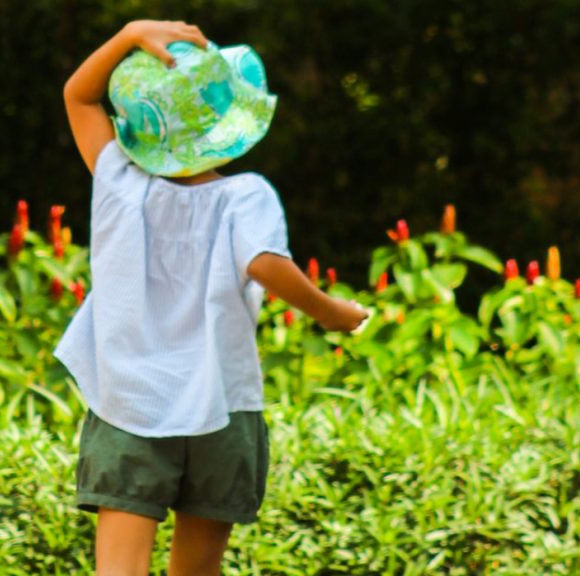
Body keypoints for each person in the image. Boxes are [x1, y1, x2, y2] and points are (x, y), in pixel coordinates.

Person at [52, 19, 369, 576]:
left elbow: (78, 94)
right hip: (221, 405)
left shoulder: (118, 182)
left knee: (118, 570)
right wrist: (335, 313)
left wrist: (130, 34)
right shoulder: (246, 195)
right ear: (227, 119)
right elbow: (265, 263)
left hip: (130, 406)